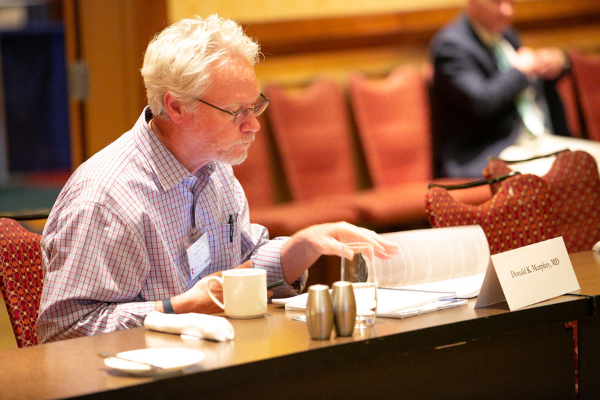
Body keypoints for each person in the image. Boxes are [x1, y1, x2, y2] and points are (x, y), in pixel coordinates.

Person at [36, 15, 399, 343]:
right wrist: (177, 309)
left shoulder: (214, 166)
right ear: (176, 107)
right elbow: (61, 332)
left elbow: (243, 268)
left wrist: (302, 246)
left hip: (218, 362)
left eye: (255, 106)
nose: (253, 125)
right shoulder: (106, 199)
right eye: (236, 112)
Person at [429, 0, 600, 178]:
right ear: (472, 3)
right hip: (491, 151)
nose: (507, 11)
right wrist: (521, 71)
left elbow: (525, 83)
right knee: (570, 175)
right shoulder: (451, 45)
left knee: (596, 160)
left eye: (511, 2)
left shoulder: (506, 35)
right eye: (496, 2)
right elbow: (481, 102)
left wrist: (553, 65)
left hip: (537, 142)